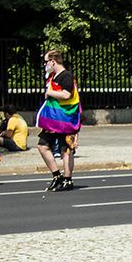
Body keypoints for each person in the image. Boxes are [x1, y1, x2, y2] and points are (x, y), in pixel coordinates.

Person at [36, 49, 81, 192]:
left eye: (46, 62)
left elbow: (67, 95)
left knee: (66, 149)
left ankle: (68, 179)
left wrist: (49, 93)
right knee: (42, 146)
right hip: (53, 120)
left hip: (65, 120)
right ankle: (57, 176)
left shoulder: (66, 76)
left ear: (53, 61)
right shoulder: (53, 77)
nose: (45, 65)